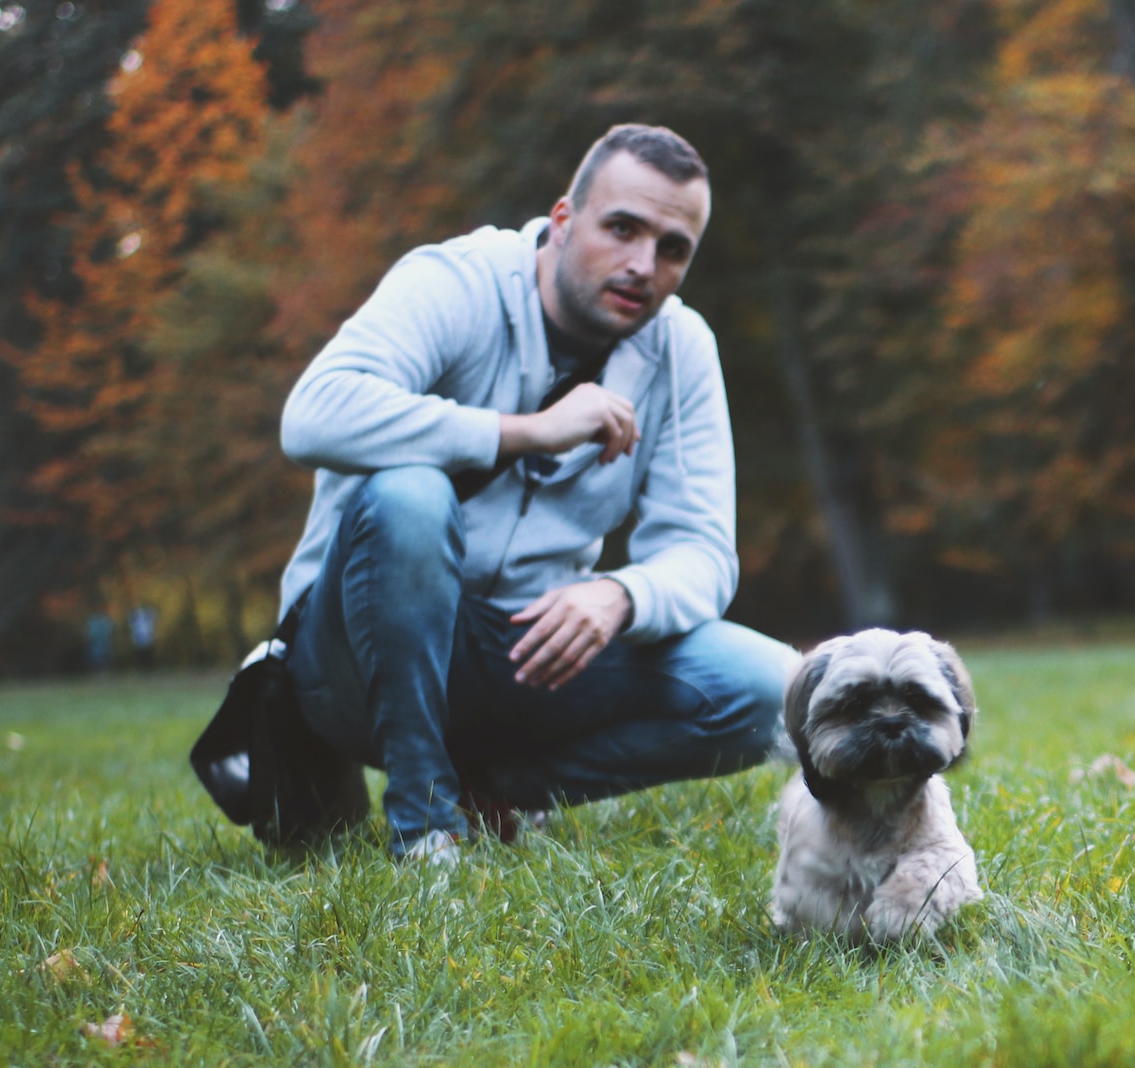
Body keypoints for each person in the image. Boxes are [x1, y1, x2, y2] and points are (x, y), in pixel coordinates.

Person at [275, 123, 797, 862]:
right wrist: (524, 431)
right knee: (410, 497)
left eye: (673, 248)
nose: (643, 265)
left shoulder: (681, 349)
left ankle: (500, 788)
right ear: (562, 220)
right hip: (354, 656)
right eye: (622, 229)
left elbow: (703, 552)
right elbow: (313, 413)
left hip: (527, 650)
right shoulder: (454, 282)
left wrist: (621, 597)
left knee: (771, 688)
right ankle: (424, 829)